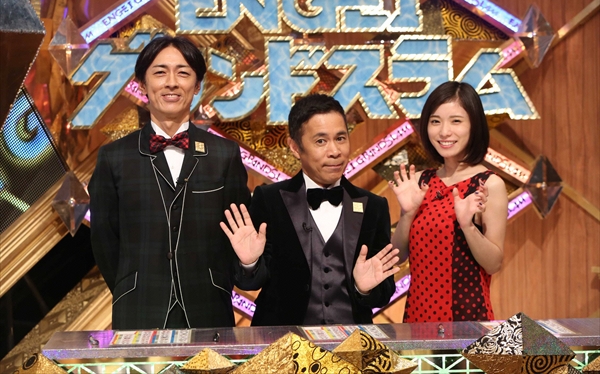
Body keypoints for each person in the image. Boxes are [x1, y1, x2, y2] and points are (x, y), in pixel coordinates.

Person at [88, 35, 251, 330]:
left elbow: (239, 231)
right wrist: (131, 288)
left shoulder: (224, 155)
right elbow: (104, 242)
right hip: (138, 310)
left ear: (197, 86)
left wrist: (225, 278)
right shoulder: (114, 157)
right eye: (160, 72)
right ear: (142, 84)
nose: (172, 83)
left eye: (183, 73)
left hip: (208, 308)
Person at [222, 94, 400, 326]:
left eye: (340, 138)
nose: (335, 151)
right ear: (295, 147)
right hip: (282, 341)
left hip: (352, 341)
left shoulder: (375, 206)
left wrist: (364, 289)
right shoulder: (269, 199)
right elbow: (249, 283)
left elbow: (384, 291)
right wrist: (249, 263)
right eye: (321, 141)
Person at [388, 81, 507, 323]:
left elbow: (493, 264)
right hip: (418, 317)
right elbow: (398, 257)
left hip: (467, 320)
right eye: (435, 121)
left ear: (474, 126)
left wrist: (468, 226)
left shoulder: (489, 184)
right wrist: (407, 214)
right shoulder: (421, 181)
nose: (444, 132)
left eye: (456, 121)